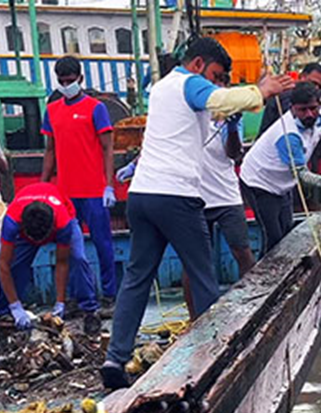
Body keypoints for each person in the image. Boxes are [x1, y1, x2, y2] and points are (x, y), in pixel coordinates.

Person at [100, 37, 294, 390]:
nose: (216, 83)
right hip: (177, 196)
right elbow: (216, 99)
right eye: (215, 75)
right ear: (198, 63)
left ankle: (115, 357)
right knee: (203, 276)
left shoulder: (160, 89)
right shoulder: (189, 83)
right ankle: (213, 359)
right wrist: (260, 91)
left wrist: (230, 113)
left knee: (137, 277)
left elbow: (211, 113)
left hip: (142, 195)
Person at [240, 82, 321, 253]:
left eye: (313, 108)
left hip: (283, 183)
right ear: (293, 109)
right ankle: (267, 275)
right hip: (259, 182)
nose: (309, 114)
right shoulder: (289, 136)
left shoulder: (319, 114)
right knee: (273, 237)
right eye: (303, 110)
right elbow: (302, 175)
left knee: (287, 230)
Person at [40, 56, 117, 306]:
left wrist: (109, 184)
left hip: (95, 189)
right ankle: (77, 295)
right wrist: (43, 186)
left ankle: (109, 294)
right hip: (66, 192)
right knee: (69, 247)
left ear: (80, 79)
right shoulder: (51, 111)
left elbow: (108, 147)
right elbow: (49, 151)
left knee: (103, 243)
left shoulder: (96, 108)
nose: (66, 85)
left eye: (70, 81)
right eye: (61, 82)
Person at [0, 182, 101, 333]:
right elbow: (3, 265)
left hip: (63, 217)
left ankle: (89, 310)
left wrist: (60, 302)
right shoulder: (11, 222)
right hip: (26, 229)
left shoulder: (63, 223)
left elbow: (62, 262)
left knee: (78, 258)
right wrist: (15, 306)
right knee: (15, 265)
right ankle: (6, 312)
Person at [258, 62, 321, 136]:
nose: (316, 88)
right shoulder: (288, 93)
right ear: (302, 77)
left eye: (320, 87)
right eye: (313, 83)